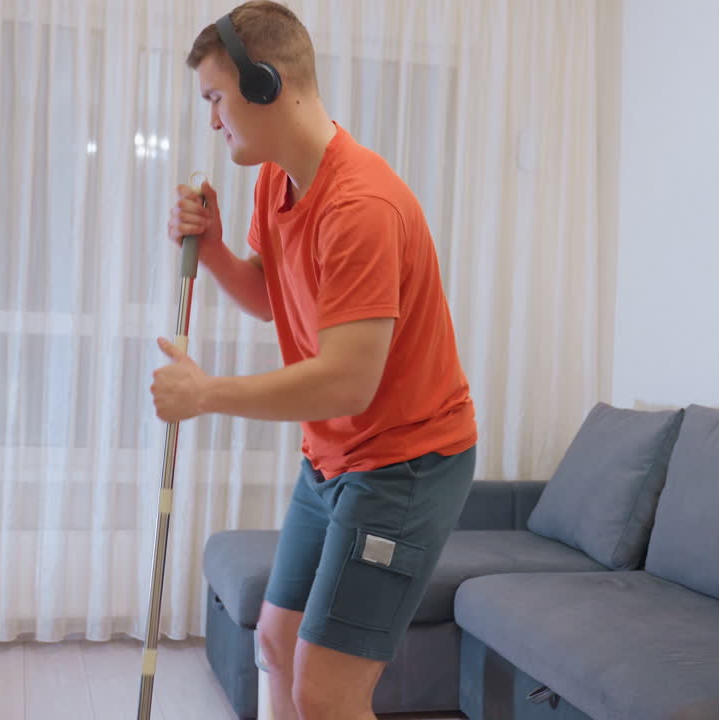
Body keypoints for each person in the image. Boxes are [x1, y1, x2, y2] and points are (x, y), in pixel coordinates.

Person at [151, 2, 477, 718]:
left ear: (266, 84)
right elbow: (269, 297)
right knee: (276, 640)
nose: (212, 119)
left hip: (405, 464)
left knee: (329, 689)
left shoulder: (361, 205)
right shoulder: (277, 182)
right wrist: (212, 254)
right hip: (332, 459)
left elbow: (347, 381)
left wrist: (207, 393)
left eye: (216, 97)